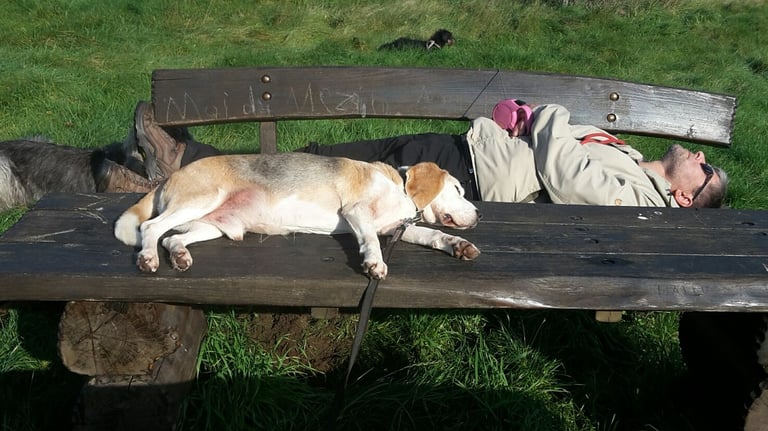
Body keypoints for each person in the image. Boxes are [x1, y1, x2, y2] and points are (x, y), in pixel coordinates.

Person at [99, 100, 728, 209]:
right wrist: (521, 126)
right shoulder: (633, 162)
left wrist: (544, 117)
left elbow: (565, 173)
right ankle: (175, 172)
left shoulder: (640, 200)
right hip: (461, 151)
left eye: (707, 169)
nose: (699, 158)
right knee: (320, 157)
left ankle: (177, 168)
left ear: (684, 196)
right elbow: (564, 154)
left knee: (321, 178)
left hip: (461, 178)